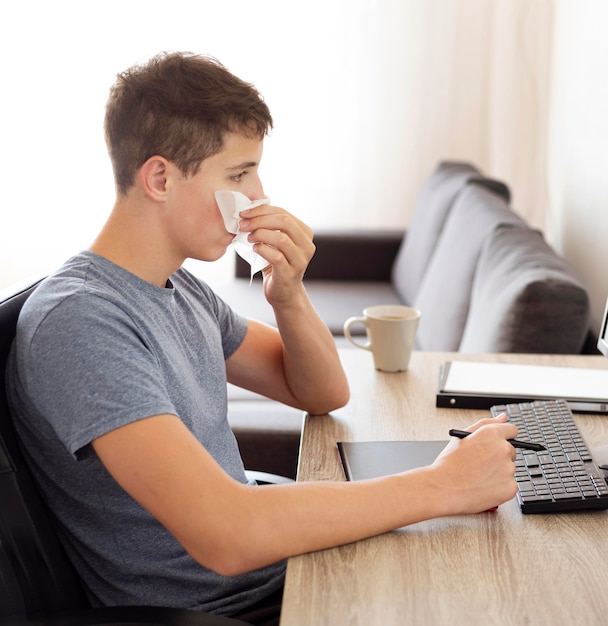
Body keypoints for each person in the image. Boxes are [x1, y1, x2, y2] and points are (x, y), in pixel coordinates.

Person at [6, 51, 518, 625]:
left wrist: (289, 293)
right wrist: (443, 486)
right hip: (235, 607)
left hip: (283, 574)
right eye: (239, 174)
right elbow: (226, 534)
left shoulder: (177, 286)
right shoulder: (82, 322)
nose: (258, 196)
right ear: (159, 178)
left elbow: (322, 392)